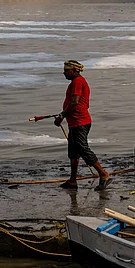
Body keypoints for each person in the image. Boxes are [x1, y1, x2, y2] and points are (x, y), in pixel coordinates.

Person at [54, 60, 112, 189]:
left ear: (74, 70)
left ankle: (103, 174)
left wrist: (61, 116)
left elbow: (74, 102)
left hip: (80, 122)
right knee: (73, 152)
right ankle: (73, 180)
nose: (64, 73)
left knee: (83, 149)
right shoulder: (75, 82)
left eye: (66, 71)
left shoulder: (78, 82)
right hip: (74, 122)